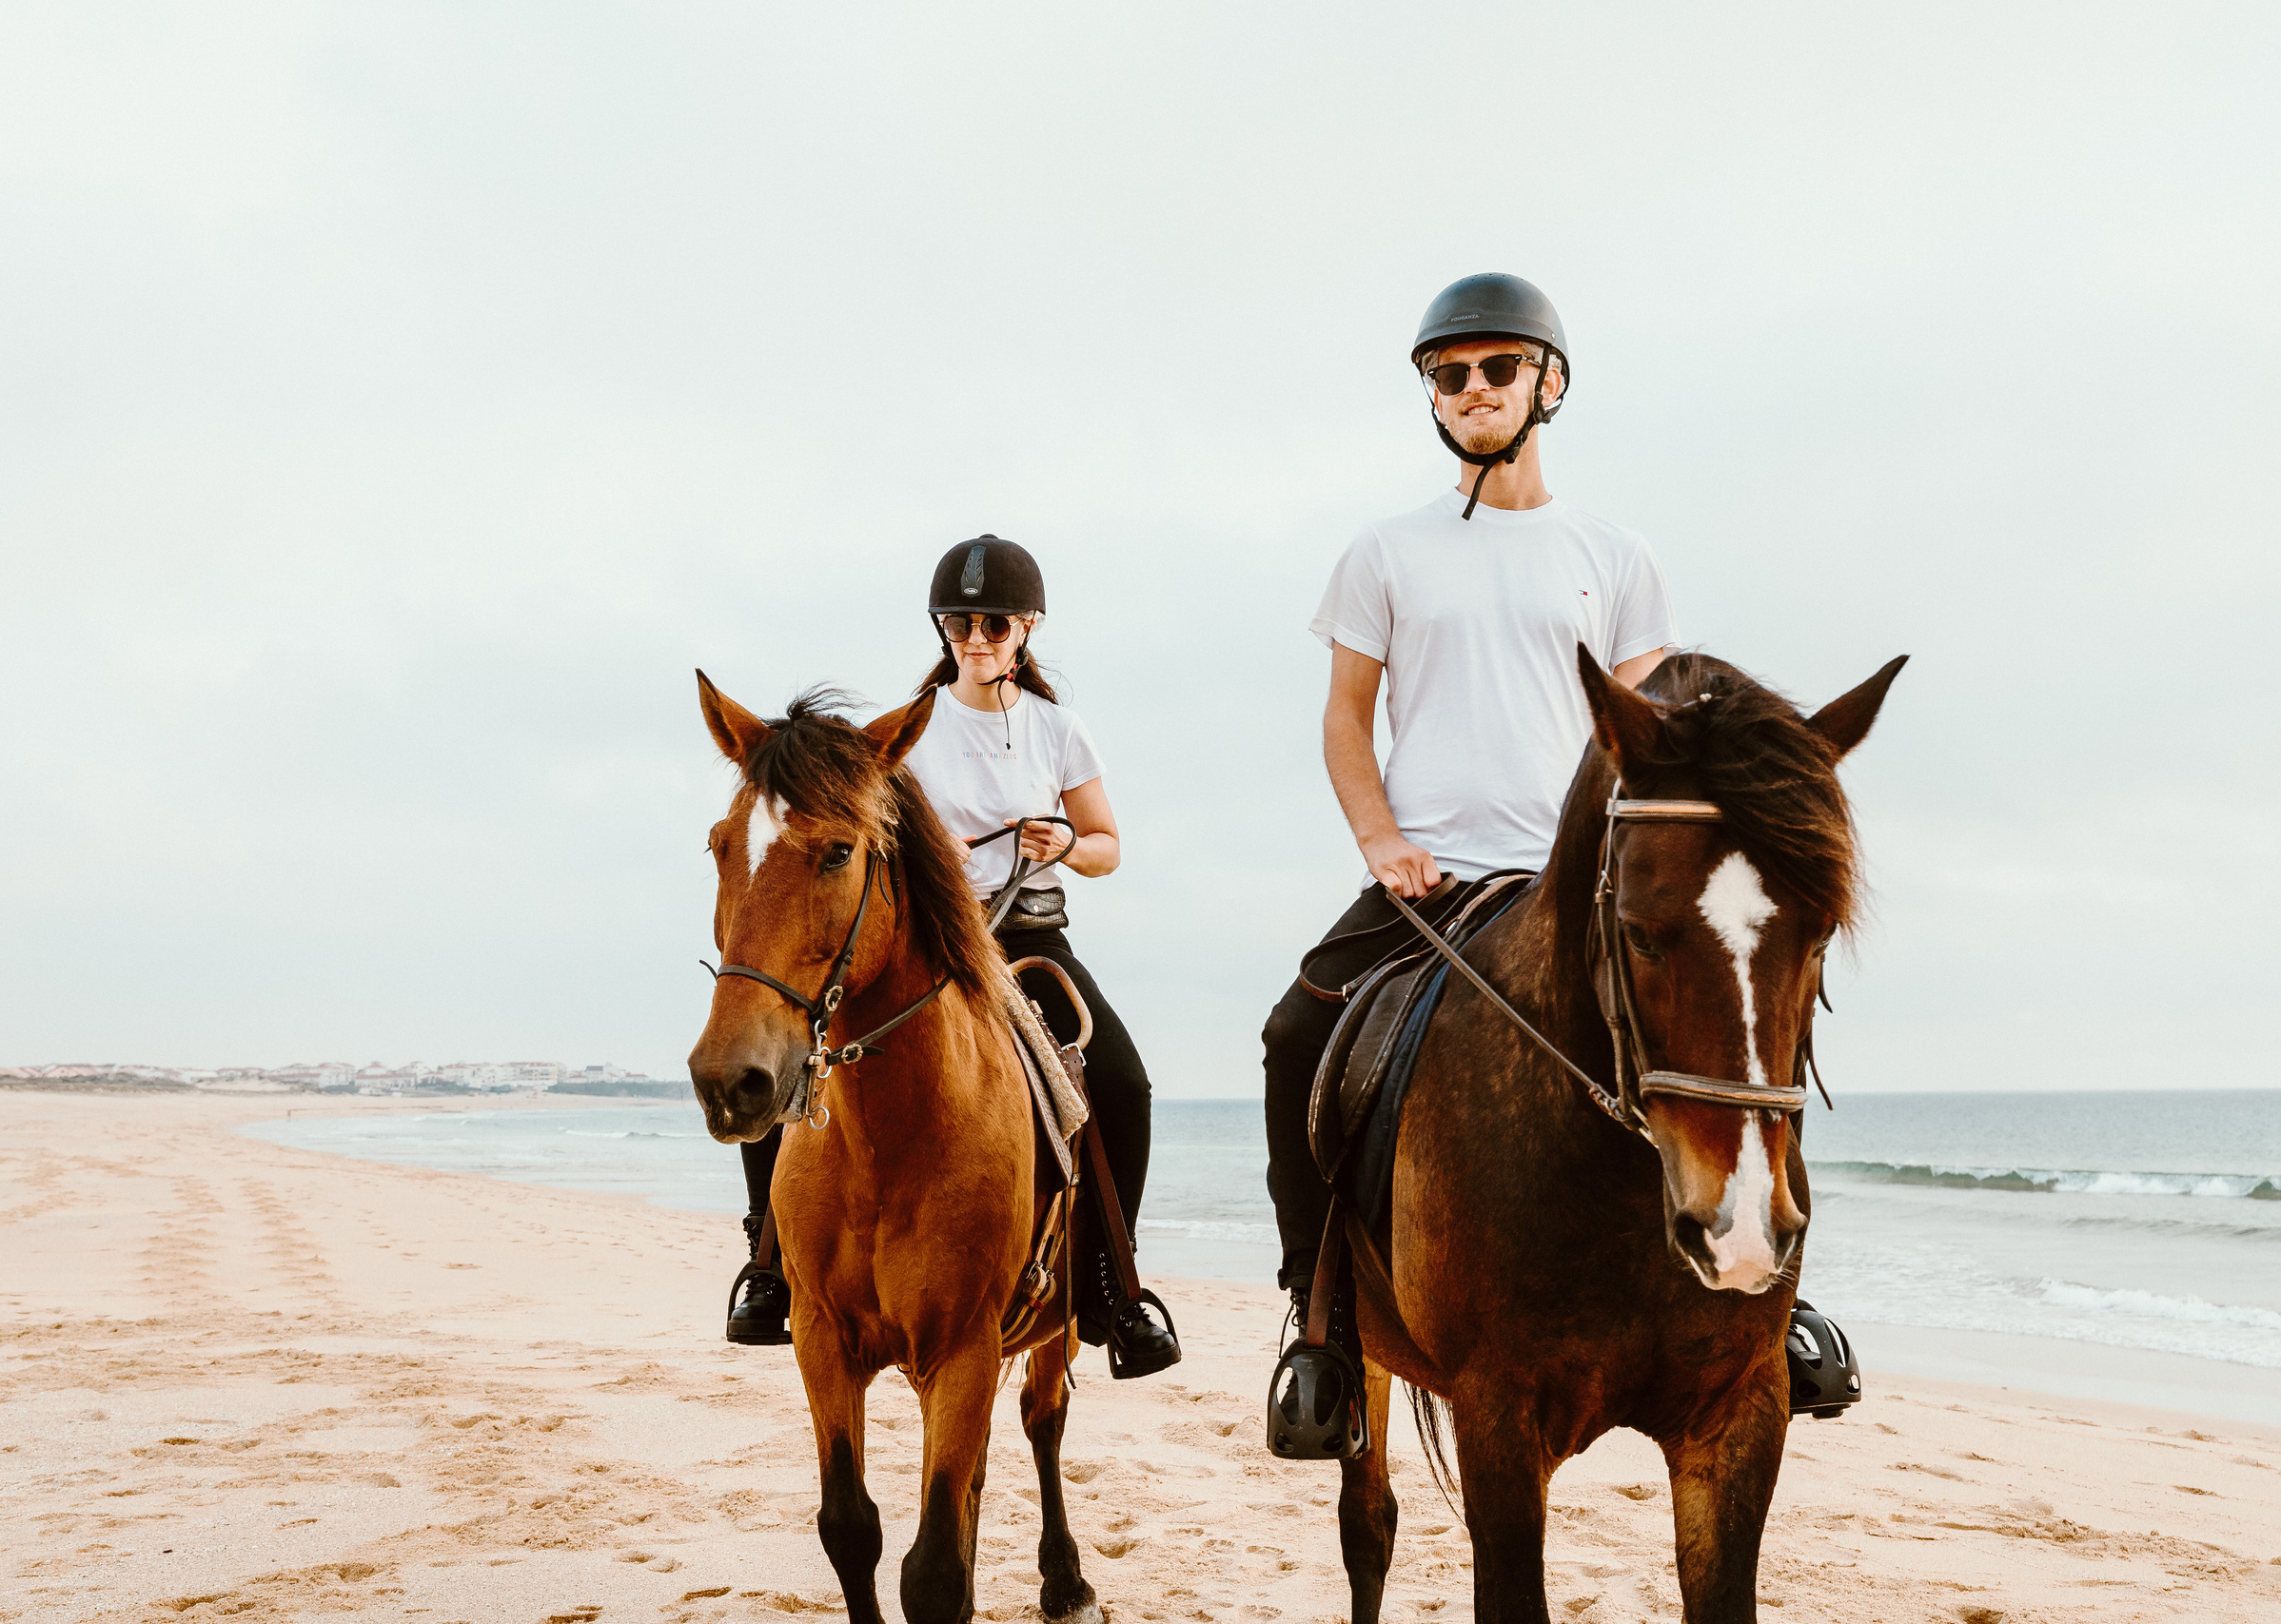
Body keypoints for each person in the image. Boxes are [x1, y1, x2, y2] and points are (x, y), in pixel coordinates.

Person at [1261, 271, 1854, 1399]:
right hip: (1427, 880)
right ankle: (1320, 1322)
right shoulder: (1384, 551)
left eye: (1497, 367)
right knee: (1294, 1032)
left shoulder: (1614, 554)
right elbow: (1344, 721)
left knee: (1735, 1019)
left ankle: (1776, 1296)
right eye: (1451, 374)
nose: (1473, 388)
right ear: (1433, 397)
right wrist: (1382, 842)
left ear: (1550, 382)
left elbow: (1648, 736)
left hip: (1579, 880)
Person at [727, 535, 1182, 1378]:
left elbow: (1111, 846)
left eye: (994, 622)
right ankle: (767, 1265)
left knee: (1123, 1079)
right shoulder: (905, 730)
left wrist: (1065, 841)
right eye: (960, 621)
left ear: (1027, 627)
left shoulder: (1058, 728)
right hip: (932, 933)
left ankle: (1114, 1291)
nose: (976, 636)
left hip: (1032, 936)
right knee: (793, 1052)